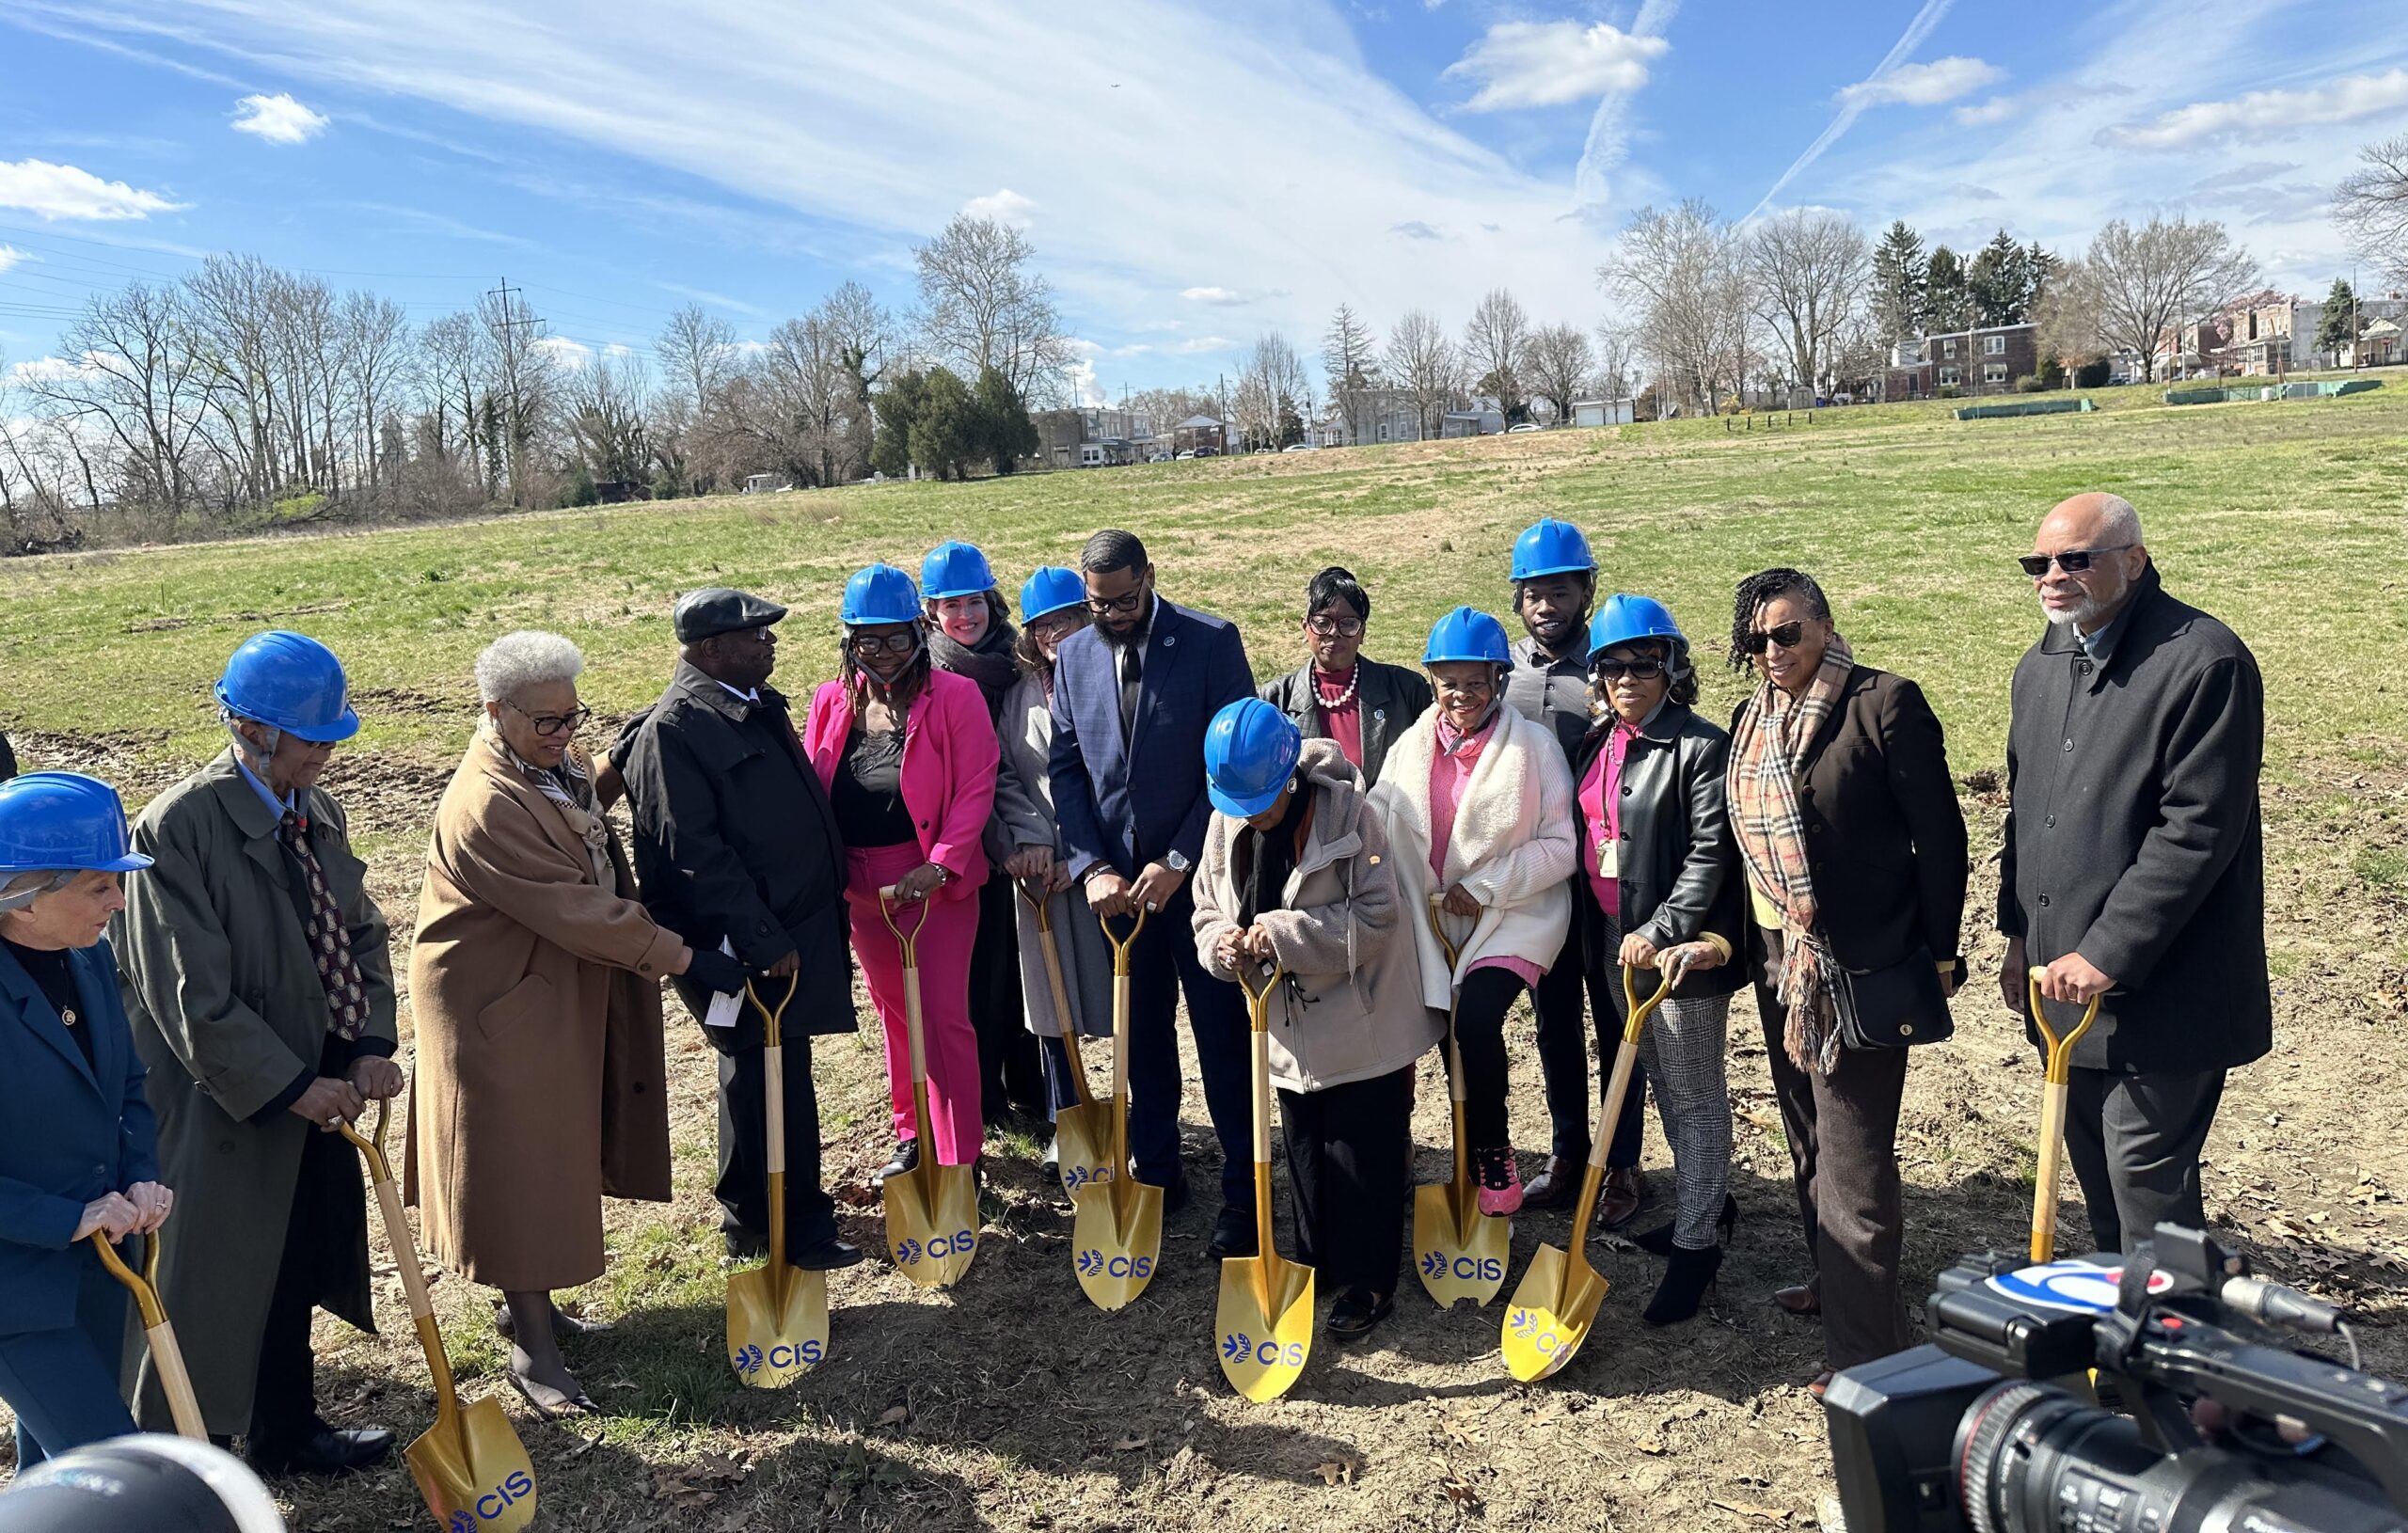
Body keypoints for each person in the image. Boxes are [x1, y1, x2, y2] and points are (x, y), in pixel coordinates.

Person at [404, 632, 746, 1415]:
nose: (563, 734)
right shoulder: (486, 801)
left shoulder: (541, 762)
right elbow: (574, 907)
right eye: (546, 722)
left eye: (571, 717)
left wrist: (615, 767)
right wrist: (684, 957)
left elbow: (573, 807)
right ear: (495, 713)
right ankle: (534, 1346)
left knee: (549, 1152)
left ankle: (536, 1307)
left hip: (539, 989)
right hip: (496, 1006)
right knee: (516, 1165)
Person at [114, 632, 402, 1473]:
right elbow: (188, 996)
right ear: (249, 730)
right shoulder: (177, 828)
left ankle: (287, 1428)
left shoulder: (320, 811)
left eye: (331, 737)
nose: (325, 753)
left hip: (315, 1087)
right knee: (212, 1279)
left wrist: (366, 1046)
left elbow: (359, 934)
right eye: (312, 738)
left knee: (295, 1261)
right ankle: (185, 1460)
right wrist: (286, 1087)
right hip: (225, 1106)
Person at [1723, 569, 1967, 1397]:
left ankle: (1874, 1356)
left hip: (1858, 967)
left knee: (1855, 1164)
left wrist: (1940, 952)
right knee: (1807, 1142)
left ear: (1826, 625)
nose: (1772, 652)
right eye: (1756, 640)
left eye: (1787, 633)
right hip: (1778, 961)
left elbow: (1940, 837)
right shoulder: (1749, 718)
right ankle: (1837, 1288)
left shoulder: (1884, 704)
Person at [2001, 493, 2266, 1254]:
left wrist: (2108, 953)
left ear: (2135, 561)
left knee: (2146, 1182)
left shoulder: (2203, 661)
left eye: (2076, 559)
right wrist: (2017, 935)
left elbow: (2198, 832)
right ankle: (2124, 1344)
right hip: (2062, 988)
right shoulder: (2041, 666)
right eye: (2039, 563)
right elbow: (2022, 816)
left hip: (2165, 994)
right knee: (2099, 1183)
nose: (2054, 576)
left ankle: (2169, 1358)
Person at [615, 590, 861, 1270]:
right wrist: (758, 939)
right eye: (756, 635)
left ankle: (755, 1217)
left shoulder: (751, 707)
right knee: (764, 1075)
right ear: (711, 648)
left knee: (769, 1072)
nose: (771, 644)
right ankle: (792, 1228)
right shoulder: (676, 728)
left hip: (793, 927)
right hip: (746, 943)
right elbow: (691, 853)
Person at [1192, 700, 1438, 1340]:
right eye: (1238, 804)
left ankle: (1369, 1281)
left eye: (1263, 803)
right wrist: (1220, 944)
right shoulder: (1227, 817)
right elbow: (1205, 905)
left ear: (1290, 780)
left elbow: (1379, 919)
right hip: (1285, 1029)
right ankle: (1316, 1263)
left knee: (1362, 1153)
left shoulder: (1353, 816)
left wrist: (1278, 933)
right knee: (1302, 1148)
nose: (1251, 816)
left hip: (1363, 1021)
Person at [1046, 529, 1259, 1255]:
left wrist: (1179, 858)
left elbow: (1235, 766)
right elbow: (1067, 770)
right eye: (1099, 603)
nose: (1113, 613)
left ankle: (1244, 1191)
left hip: (1199, 885)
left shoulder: (1209, 641)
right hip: (1118, 895)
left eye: (1126, 598)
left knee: (1223, 1038)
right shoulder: (1072, 656)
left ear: (1150, 578)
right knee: (1141, 1044)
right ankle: (1160, 1174)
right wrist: (1091, 866)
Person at [1570, 597, 1744, 1326]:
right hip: (1614, 941)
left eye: (1644, 664)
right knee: (1664, 1088)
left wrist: (1664, 926)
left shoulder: (1698, 746)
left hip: (1675, 952)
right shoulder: (1602, 740)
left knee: (1697, 1093)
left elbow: (1710, 852)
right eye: (1612, 666)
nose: (1628, 678)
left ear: (1672, 666)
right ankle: (1704, 1205)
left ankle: (1699, 1248)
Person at [1369, 607, 1576, 1216]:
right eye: (1448, 680)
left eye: (1475, 681)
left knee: (1476, 1022)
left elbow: (1561, 846)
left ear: (1498, 680)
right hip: (1435, 922)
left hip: (1515, 914)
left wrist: (1487, 887)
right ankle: (1465, 1149)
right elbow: (1379, 818)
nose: (1461, 694)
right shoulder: (1412, 745)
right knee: (1449, 1040)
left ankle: (1494, 1156)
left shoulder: (1532, 747)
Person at [804, 564, 1000, 1183]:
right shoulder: (832, 701)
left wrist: (940, 865)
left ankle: (961, 1152)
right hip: (864, 893)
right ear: (848, 642)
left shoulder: (954, 697)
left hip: (934, 887)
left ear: (919, 631)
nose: (882, 653)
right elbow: (816, 784)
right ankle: (913, 1130)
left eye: (894, 638)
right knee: (895, 1015)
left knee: (942, 1017)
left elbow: (975, 788)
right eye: (868, 640)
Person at [0, 772, 171, 1468]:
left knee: (59, 1477)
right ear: (23, 897)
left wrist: (142, 1178)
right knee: (116, 1468)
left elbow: (126, 1086)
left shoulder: (90, 958)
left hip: (100, 1265)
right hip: (17, 1285)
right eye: (99, 886)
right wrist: (61, 1218)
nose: (120, 901)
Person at [1504, 519, 1649, 1225]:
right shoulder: (1503, 669)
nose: (1546, 607)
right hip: (1537, 878)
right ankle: (1567, 1154)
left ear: (1586, 590)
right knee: (1553, 1020)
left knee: (1618, 1019)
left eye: (1560, 591)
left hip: (1610, 877)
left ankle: (1621, 1165)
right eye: (1533, 594)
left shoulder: (1618, 662)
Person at [991, 568, 1115, 1161]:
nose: (1054, 636)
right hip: (1039, 874)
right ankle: (1068, 1120)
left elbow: (1113, 783)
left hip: (1104, 868)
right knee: (1049, 1003)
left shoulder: (1112, 682)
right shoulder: (1018, 697)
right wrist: (1033, 842)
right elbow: (1007, 775)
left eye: (1065, 621)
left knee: (1123, 1000)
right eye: (1042, 626)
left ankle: (1131, 1122)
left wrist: (1082, 855)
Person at [923, 541, 1046, 1126]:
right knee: (976, 976)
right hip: (965, 844)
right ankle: (985, 1095)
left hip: (1029, 837)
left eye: (973, 601)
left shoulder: (1019, 662)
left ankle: (1032, 1082)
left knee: (1030, 971)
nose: (965, 616)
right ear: (932, 614)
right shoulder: (925, 672)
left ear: (991, 602)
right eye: (951, 606)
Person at [1257, 565, 1433, 786]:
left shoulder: (1407, 690)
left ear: (1363, 632)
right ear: (1305, 627)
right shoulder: (1273, 700)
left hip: (1389, 819)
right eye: (1323, 622)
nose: (1334, 632)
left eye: (1348, 623)